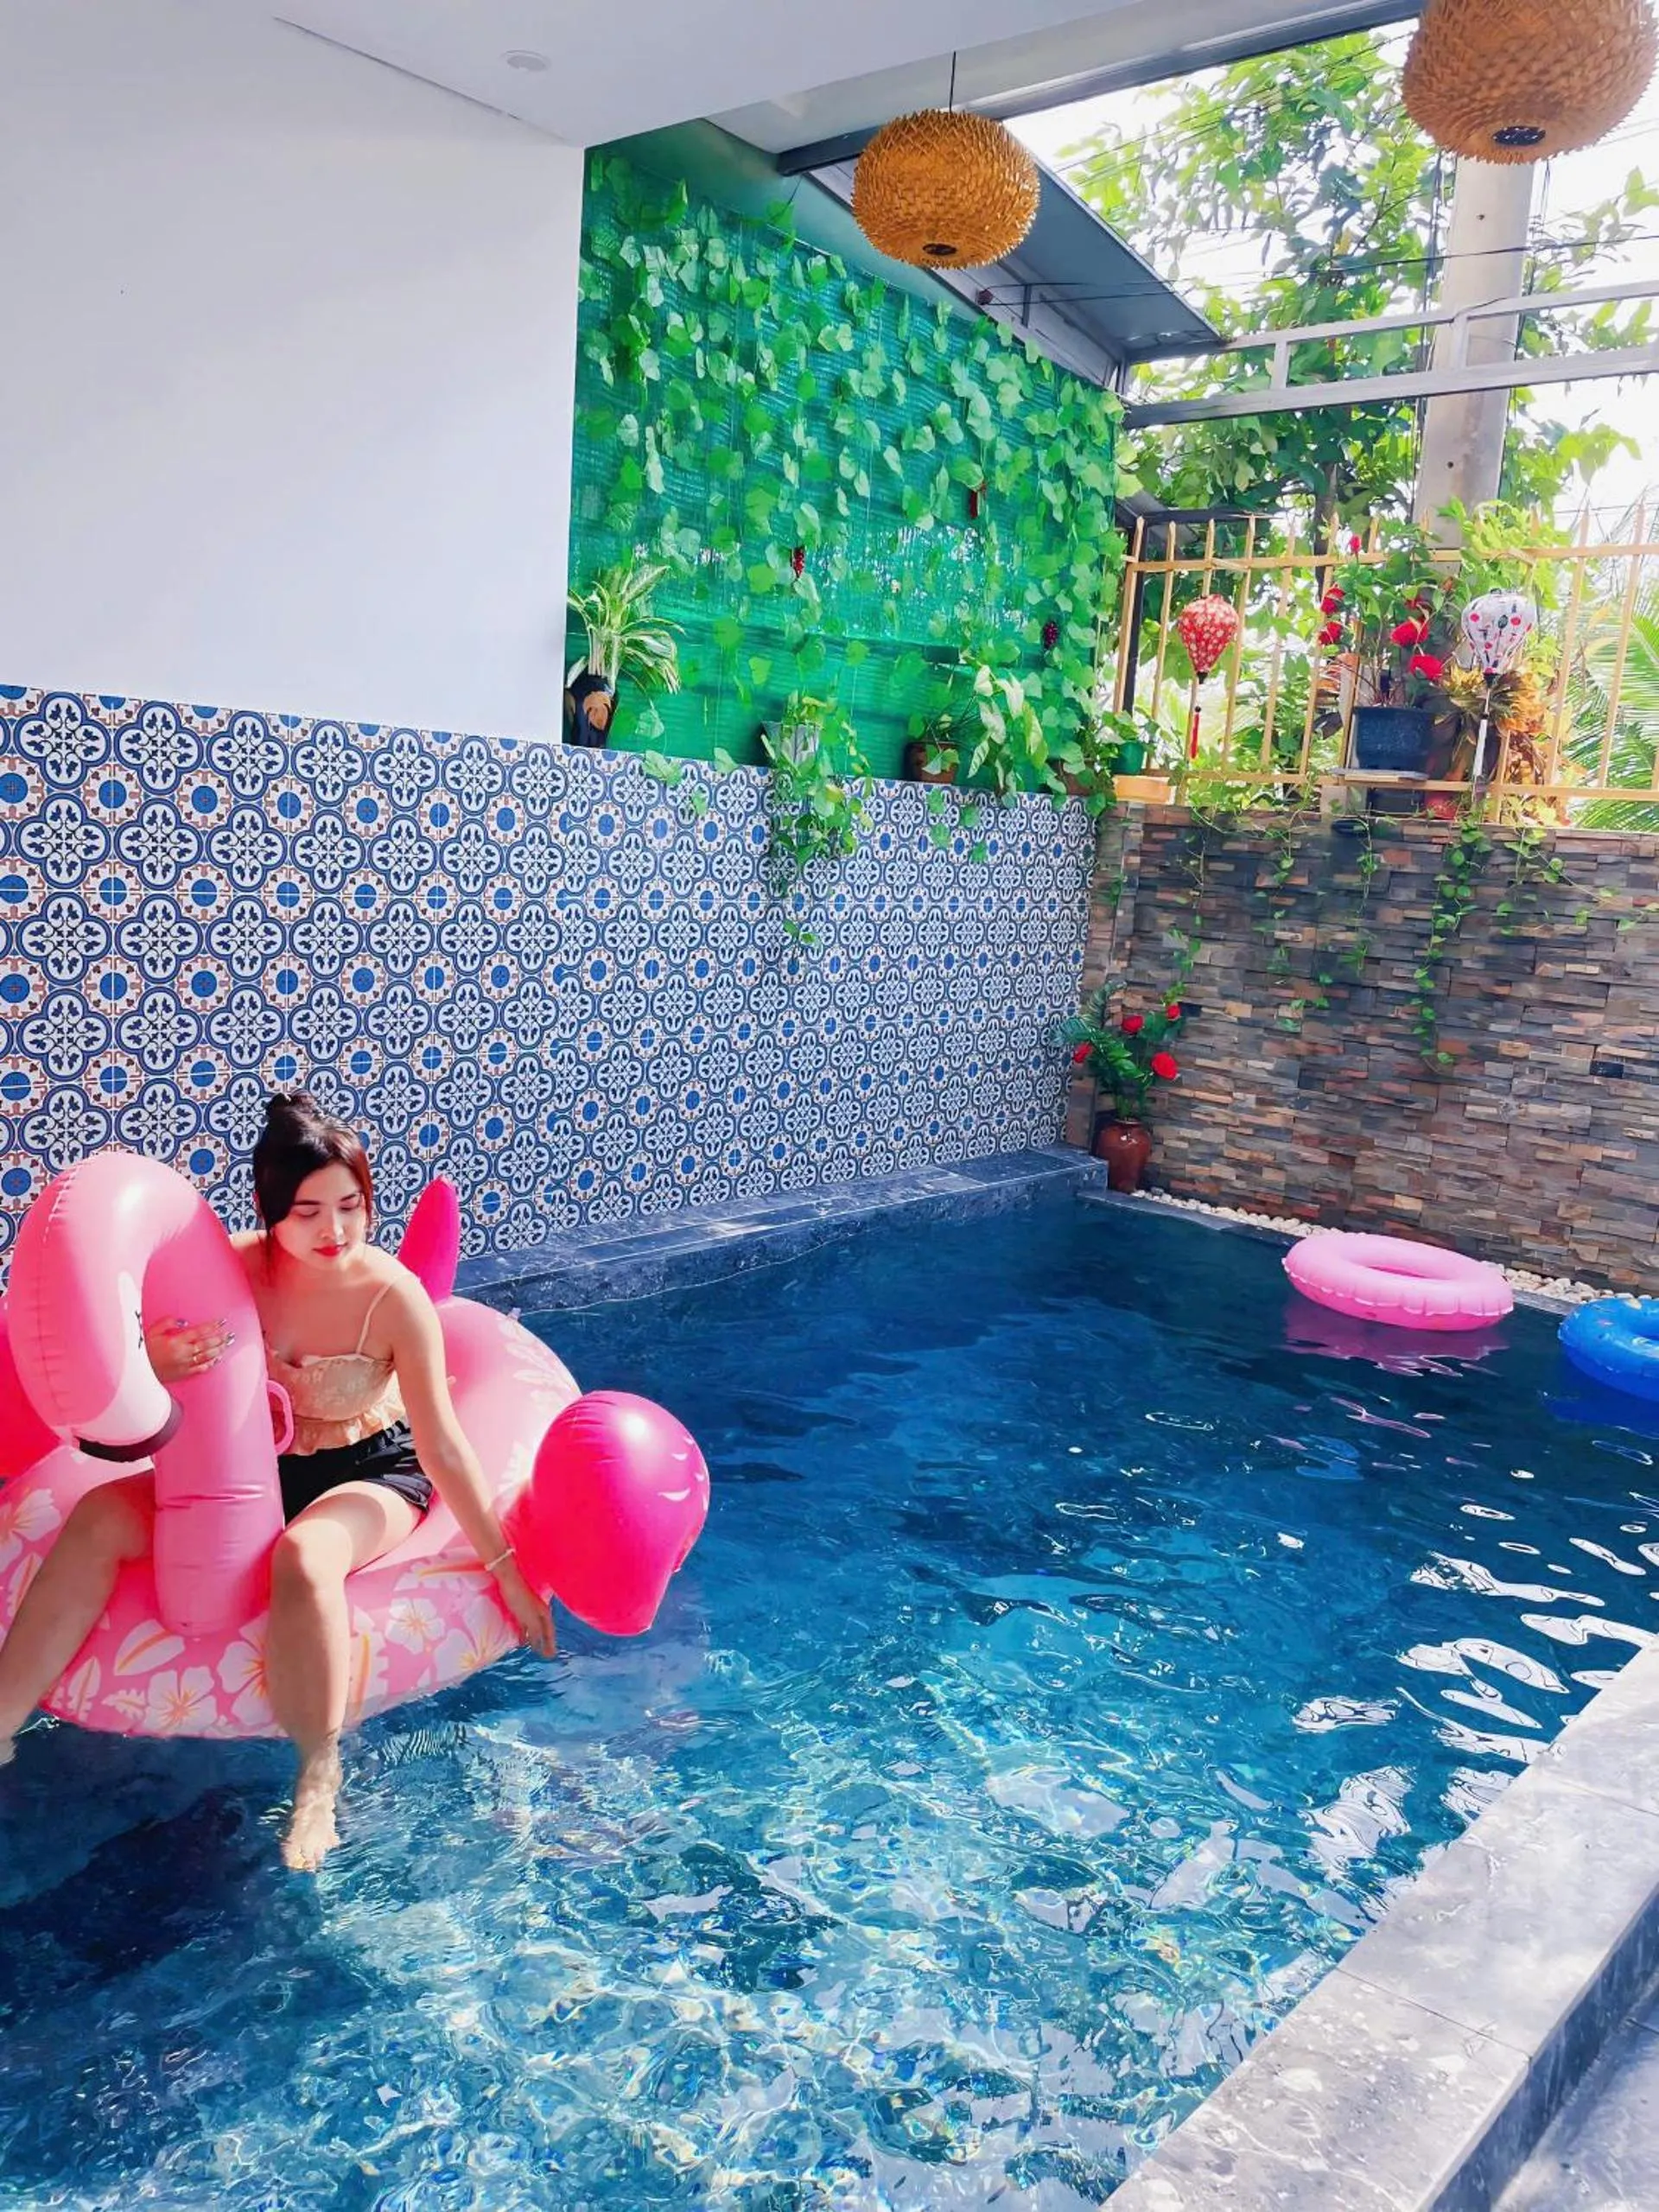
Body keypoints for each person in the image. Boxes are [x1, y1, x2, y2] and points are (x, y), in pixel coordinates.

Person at [0, 1094, 556, 1872]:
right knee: (97, 1516)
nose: (333, 1232)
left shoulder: (390, 1298)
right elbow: (130, 1386)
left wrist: (508, 1571)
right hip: (253, 1471)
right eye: (307, 1212)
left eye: (351, 1207)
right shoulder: (231, 1272)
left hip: (371, 1471)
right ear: (269, 1211)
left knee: (305, 1558)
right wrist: (155, 1363)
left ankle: (318, 1777)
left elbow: (443, 1446)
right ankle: (2, 1721)